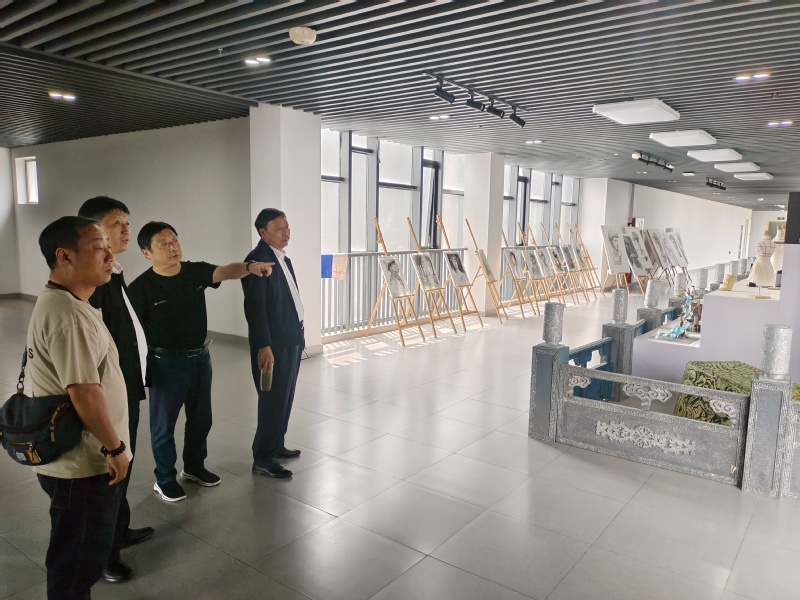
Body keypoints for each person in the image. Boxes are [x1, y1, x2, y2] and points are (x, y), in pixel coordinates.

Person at [128, 222, 273, 502]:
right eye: (163, 243)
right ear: (147, 253)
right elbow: (134, 332)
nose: (172, 247)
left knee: (201, 418)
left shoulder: (193, 271)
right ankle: (164, 479)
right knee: (163, 425)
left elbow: (225, 271)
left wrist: (250, 267)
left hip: (200, 359)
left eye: (174, 240)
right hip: (165, 363)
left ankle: (194, 467)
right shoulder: (141, 288)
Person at [28, 216, 132, 600]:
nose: (109, 256)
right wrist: (115, 448)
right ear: (65, 256)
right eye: (98, 246)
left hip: (78, 459)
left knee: (76, 554)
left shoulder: (69, 302)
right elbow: (84, 393)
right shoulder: (68, 314)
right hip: (82, 465)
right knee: (76, 563)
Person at [77, 197, 153, 584]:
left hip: (127, 388)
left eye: (127, 221)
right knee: (111, 472)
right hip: (109, 396)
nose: (126, 229)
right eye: (116, 223)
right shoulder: (94, 283)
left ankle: (119, 532)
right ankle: (105, 555)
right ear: (93, 232)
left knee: (125, 467)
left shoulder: (115, 272)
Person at [242, 209, 305, 479]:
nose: (286, 232)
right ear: (262, 231)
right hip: (273, 344)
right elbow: (255, 309)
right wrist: (263, 346)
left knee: (285, 397)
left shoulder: (282, 258)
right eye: (279, 228)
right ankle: (263, 457)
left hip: (291, 337)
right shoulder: (257, 262)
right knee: (272, 400)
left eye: (287, 226)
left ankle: (276, 444)